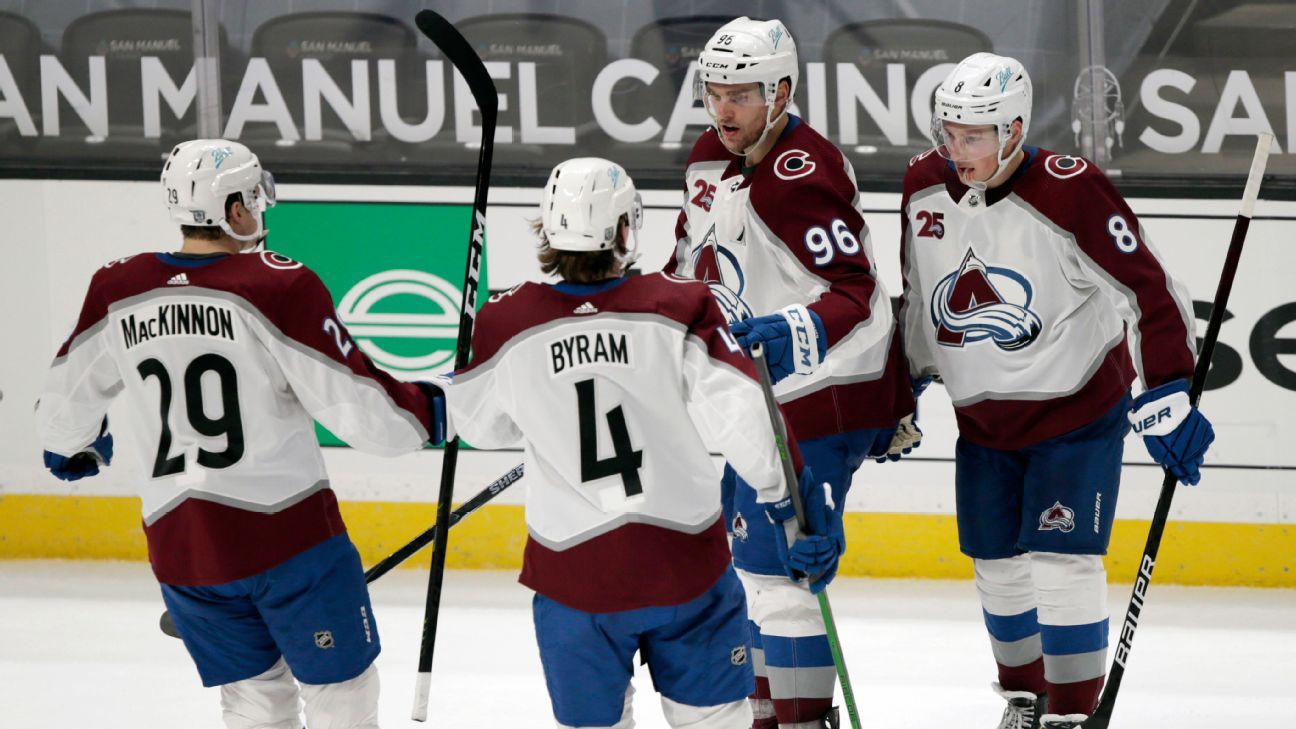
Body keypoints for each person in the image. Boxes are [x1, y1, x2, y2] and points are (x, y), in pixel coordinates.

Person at [35, 139, 443, 729]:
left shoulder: (119, 286)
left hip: (183, 550)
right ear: (234, 210)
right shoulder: (277, 286)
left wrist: (73, 447)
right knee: (341, 692)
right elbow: (360, 408)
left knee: (253, 701)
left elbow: (63, 407)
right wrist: (430, 413)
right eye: (254, 198)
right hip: (290, 541)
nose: (261, 210)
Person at [431, 157, 841, 729]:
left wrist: (541, 413)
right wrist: (796, 510)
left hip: (574, 578)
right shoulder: (679, 304)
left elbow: (480, 425)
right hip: (686, 568)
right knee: (715, 720)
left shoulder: (507, 319)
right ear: (627, 229)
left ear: (548, 231)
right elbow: (746, 418)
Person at [898, 53, 1212, 729]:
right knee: (995, 563)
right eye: (948, 131)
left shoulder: (1072, 189)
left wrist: (1168, 391)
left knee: (1063, 563)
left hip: (1076, 412)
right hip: (983, 422)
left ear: (1013, 130)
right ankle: (1024, 698)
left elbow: (1147, 290)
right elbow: (921, 294)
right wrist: (903, 386)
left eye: (974, 135)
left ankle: (1071, 712)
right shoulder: (923, 185)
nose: (956, 149)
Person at [667, 17, 916, 729]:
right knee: (753, 568)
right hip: (765, 393)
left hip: (831, 390)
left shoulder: (802, 171)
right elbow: (688, 263)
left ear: (780, 91)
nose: (723, 110)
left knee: (785, 571)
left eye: (740, 94)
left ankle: (804, 718)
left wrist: (789, 330)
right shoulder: (708, 160)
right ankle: (776, 711)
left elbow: (855, 292)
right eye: (714, 92)